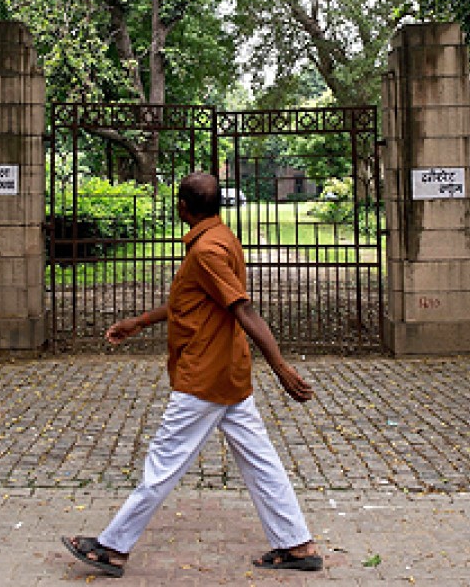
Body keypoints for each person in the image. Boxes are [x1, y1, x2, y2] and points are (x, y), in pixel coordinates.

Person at [61, 172, 322, 577]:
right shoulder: (220, 238)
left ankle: (112, 548)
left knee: (163, 463)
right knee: (261, 461)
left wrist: (280, 365)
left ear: (183, 207)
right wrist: (141, 321)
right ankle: (297, 545)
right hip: (228, 374)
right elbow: (195, 303)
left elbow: (243, 309)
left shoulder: (206, 252)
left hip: (205, 377)